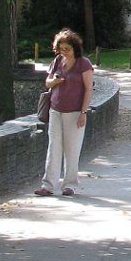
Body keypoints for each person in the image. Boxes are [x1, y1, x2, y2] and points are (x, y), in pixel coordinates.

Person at [35, 28, 94, 197]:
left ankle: (69, 185)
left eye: (67, 49)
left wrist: (83, 112)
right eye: (61, 49)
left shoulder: (84, 64)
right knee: (54, 147)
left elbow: (89, 89)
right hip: (55, 110)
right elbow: (47, 83)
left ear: (75, 47)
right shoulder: (57, 61)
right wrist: (54, 81)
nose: (64, 52)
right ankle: (48, 185)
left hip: (75, 112)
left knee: (72, 149)